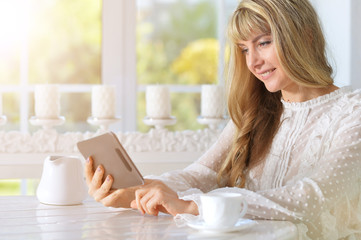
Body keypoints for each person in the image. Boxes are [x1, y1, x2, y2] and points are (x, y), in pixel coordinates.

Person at [84, 0, 361, 239]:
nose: (253, 62)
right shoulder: (258, 110)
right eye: (244, 49)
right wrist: (138, 190)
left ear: (306, 37)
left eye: (263, 43)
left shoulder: (353, 111)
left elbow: (314, 197)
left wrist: (195, 206)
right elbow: (202, 175)